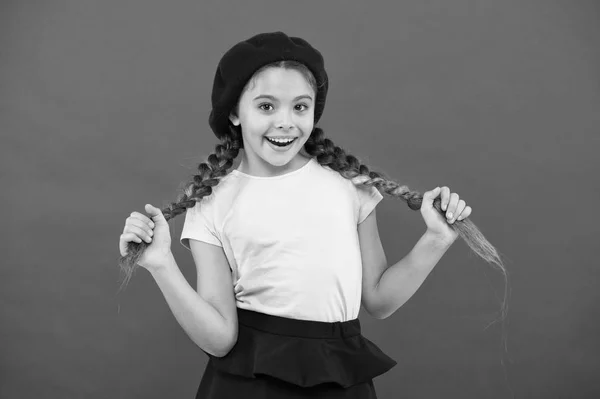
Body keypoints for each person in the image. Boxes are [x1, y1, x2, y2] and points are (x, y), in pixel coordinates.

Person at [118, 32, 507, 398]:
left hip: (341, 373)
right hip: (249, 380)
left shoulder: (347, 184)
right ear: (235, 113)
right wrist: (162, 265)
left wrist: (436, 240)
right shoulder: (212, 200)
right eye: (266, 106)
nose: (285, 121)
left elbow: (380, 300)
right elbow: (219, 338)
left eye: (300, 106)